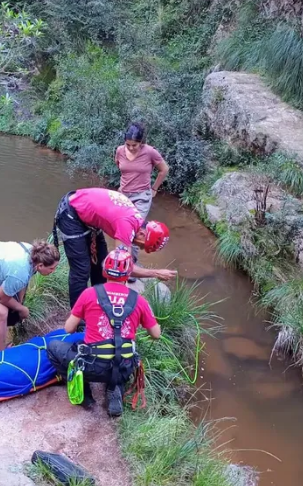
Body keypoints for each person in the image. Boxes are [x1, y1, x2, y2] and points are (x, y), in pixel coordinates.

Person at [47, 248, 161, 417]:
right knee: (123, 355)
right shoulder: (139, 300)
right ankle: (115, 388)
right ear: (128, 273)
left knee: (53, 347)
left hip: (91, 366)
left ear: (104, 270)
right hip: (124, 366)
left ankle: (85, 395)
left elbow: (68, 329)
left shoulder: (89, 294)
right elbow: (156, 334)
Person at [52, 187, 176, 308]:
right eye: (143, 245)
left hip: (88, 218)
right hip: (71, 214)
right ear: (143, 234)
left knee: (101, 263)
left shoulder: (135, 220)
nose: (140, 248)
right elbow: (123, 267)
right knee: (81, 270)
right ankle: (78, 319)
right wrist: (155, 273)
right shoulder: (126, 225)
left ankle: (98, 305)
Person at [115, 122, 169, 263]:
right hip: (123, 195)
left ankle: (131, 264)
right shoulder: (120, 150)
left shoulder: (150, 152)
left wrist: (154, 188)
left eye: (135, 145)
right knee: (122, 228)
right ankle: (120, 260)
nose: (131, 148)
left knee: (134, 229)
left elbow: (164, 170)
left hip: (141, 197)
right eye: (128, 145)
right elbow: (120, 167)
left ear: (141, 143)